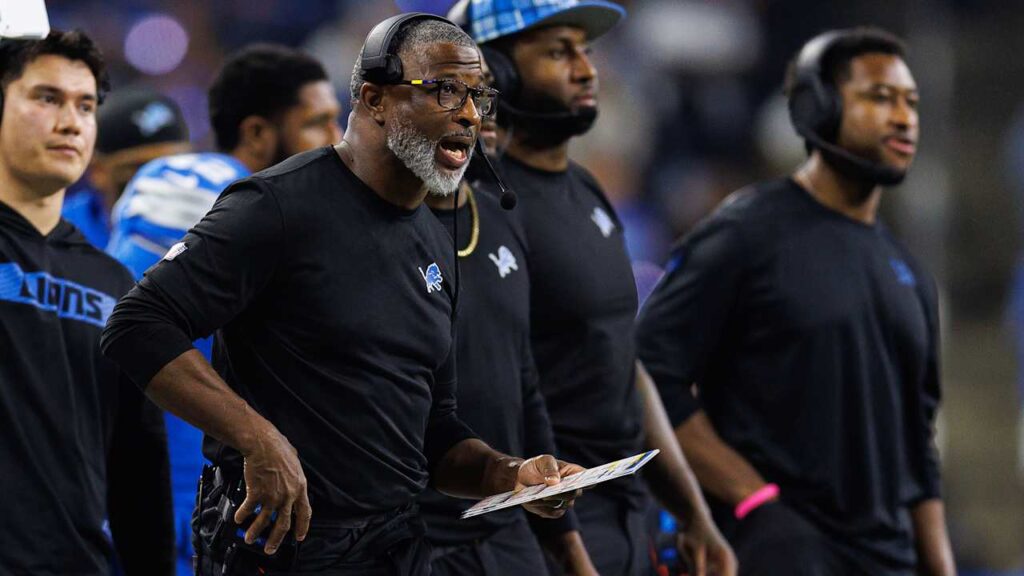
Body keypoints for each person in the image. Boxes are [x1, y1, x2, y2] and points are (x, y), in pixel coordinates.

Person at [101, 14, 580, 576]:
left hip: (396, 551)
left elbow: (435, 431)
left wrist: (509, 474)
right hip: (280, 551)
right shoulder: (277, 205)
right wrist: (257, 439)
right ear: (375, 99)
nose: (471, 115)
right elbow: (138, 323)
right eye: (448, 90)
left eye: (478, 96)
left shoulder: (434, 239)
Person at [635, 28, 956, 576]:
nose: (904, 118)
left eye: (911, 102)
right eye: (880, 98)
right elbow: (645, 374)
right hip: (780, 554)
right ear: (817, 107)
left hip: (889, 561)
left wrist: (940, 566)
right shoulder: (747, 233)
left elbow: (918, 446)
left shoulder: (911, 274)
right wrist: (752, 498)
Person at [457, 1, 736, 574]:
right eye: (559, 52)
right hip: (540, 528)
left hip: (625, 513)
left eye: (585, 51)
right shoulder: (476, 208)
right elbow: (490, 400)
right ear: (494, 73)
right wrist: (568, 550)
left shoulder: (586, 188)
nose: (586, 69)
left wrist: (691, 512)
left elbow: (624, 361)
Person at [104, 44, 343, 576]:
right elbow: (128, 319)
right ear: (257, 133)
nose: (337, 138)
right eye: (317, 123)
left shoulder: (267, 208)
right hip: (192, 507)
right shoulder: (205, 193)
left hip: (202, 501)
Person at [0, 29, 173, 576]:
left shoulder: (112, 282)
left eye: (85, 105)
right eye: (47, 98)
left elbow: (138, 468)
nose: (71, 122)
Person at [421, 51, 596, 575]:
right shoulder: (391, 228)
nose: (483, 117)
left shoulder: (503, 218)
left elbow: (525, 385)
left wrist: (570, 551)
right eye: (465, 98)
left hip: (508, 526)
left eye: (491, 101)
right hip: (420, 534)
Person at [61, 87, 190, 249]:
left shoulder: (209, 223)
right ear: (97, 171)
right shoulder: (55, 237)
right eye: (140, 167)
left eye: (175, 164)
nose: (160, 178)